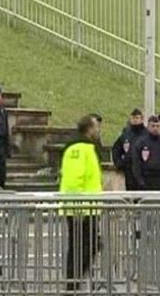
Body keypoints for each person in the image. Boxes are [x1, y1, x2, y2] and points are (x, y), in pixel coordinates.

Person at [59, 115, 103, 293]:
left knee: (83, 245)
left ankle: (74, 282)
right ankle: (73, 283)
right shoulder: (79, 149)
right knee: (84, 246)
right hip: (81, 208)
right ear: (88, 129)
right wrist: (76, 205)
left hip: (87, 207)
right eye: (96, 127)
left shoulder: (85, 147)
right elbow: (73, 180)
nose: (98, 130)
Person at [131, 115, 160, 191]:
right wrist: (140, 182)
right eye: (153, 126)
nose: (155, 128)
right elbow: (136, 165)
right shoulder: (141, 143)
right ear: (148, 127)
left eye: (157, 126)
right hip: (145, 181)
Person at [111, 108, 146, 190]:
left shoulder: (146, 134)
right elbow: (116, 149)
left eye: (137, 118)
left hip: (143, 170)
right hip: (129, 170)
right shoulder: (126, 134)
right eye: (133, 118)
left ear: (142, 119)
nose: (135, 120)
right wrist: (119, 163)